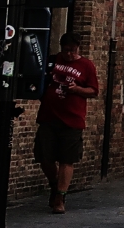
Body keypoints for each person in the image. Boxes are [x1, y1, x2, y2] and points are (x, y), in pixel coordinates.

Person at [35, 32, 99, 215]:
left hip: (72, 119)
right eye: (66, 50)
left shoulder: (86, 65)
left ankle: (60, 197)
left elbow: (94, 91)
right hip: (48, 116)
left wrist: (77, 89)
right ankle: (54, 183)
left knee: (66, 159)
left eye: (73, 50)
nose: (69, 54)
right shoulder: (52, 61)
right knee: (45, 158)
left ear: (78, 48)